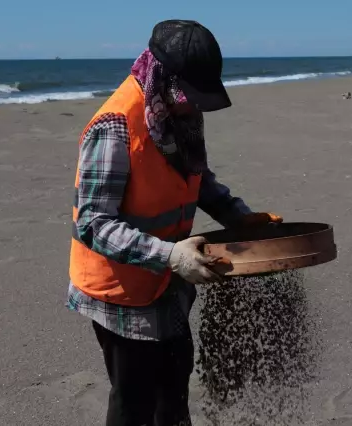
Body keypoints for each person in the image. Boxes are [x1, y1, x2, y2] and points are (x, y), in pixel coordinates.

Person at [66, 20, 282, 426]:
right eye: (192, 96)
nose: (196, 106)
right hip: (121, 291)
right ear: (163, 77)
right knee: (134, 402)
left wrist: (238, 216)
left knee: (174, 387)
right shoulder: (114, 127)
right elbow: (92, 224)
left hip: (168, 281)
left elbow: (195, 178)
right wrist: (170, 255)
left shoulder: (175, 114)